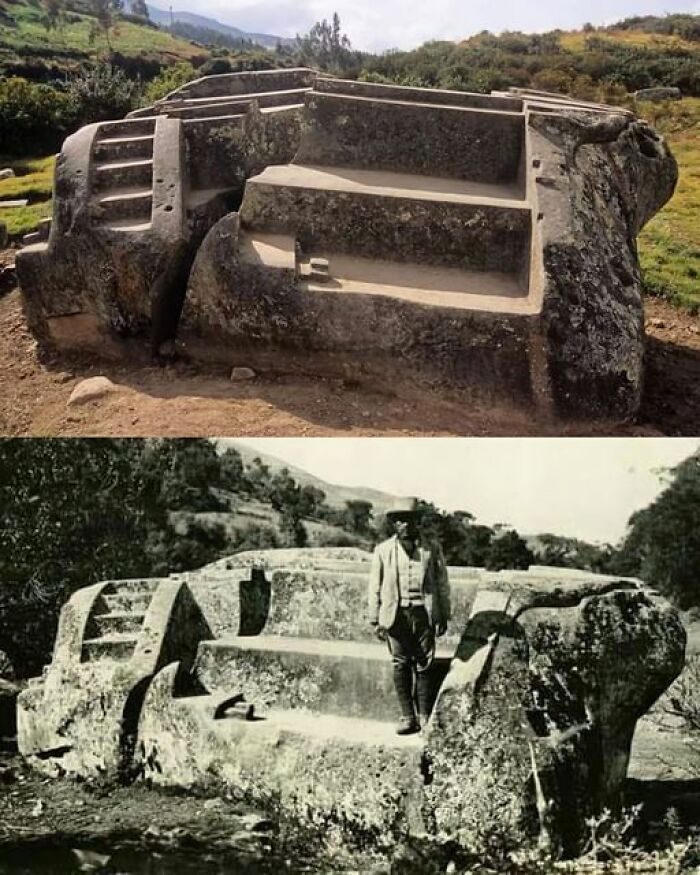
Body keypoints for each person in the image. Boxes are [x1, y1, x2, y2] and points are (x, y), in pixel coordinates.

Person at [367, 497, 451, 735]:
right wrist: (375, 619)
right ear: (394, 524)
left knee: (425, 663)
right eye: (399, 520)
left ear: (418, 523)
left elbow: (442, 583)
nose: (405, 525)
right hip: (395, 615)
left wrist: (443, 614)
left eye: (409, 520)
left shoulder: (430, 549)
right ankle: (407, 716)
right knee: (400, 663)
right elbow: (374, 585)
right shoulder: (383, 551)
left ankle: (424, 715)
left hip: (423, 614)